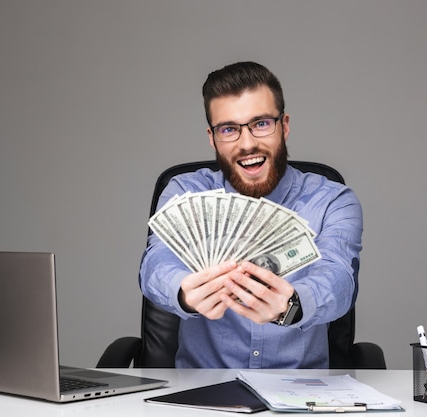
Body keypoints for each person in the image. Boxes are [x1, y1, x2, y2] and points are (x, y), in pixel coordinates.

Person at [140, 61, 362, 368]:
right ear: (212, 138)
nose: (247, 144)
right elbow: (156, 263)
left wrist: (292, 305)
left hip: (299, 395)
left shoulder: (333, 200)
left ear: (284, 126)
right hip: (202, 394)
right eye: (229, 129)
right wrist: (182, 293)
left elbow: (338, 280)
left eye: (260, 124)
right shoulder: (185, 192)